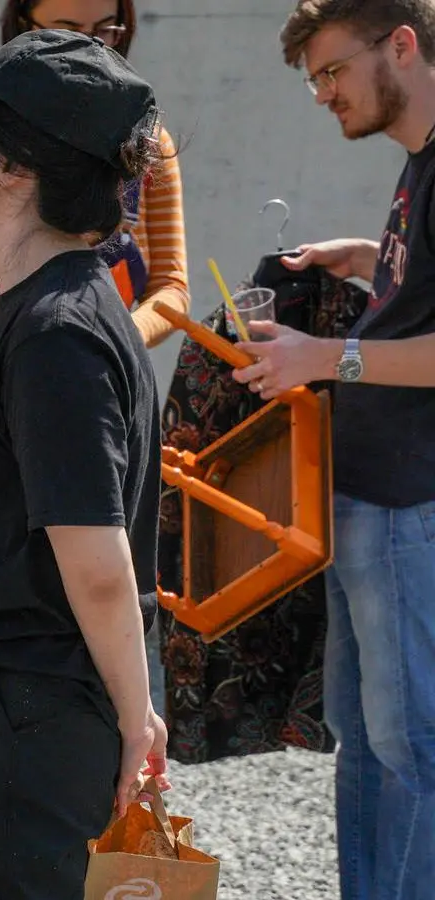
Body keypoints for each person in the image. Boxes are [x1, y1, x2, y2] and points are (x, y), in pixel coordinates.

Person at [0, 31, 166, 897]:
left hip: (24, 722)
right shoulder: (48, 311)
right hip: (11, 713)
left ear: (13, 167)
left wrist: (137, 716)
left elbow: (96, 563)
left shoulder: (57, 332)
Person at [248, 3, 435, 895]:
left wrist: (326, 358)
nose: (324, 94)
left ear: (402, 43)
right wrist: (369, 259)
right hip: (371, 497)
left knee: (412, 746)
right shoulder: (419, 161)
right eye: (314, 80)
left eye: (332, 71)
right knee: (363, 742)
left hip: (407, 503)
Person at [1, 0, 190, 350]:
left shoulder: (146, 143)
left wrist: (114, 338)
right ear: (24, 26)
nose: (91, 50)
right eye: (68, 32)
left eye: (105, 31)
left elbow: (171, 287)